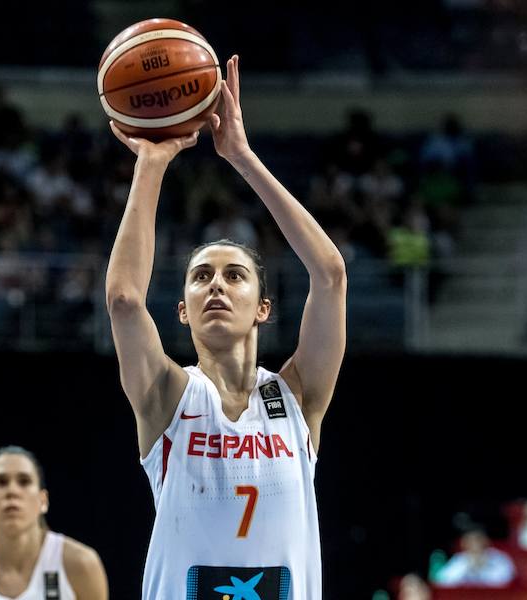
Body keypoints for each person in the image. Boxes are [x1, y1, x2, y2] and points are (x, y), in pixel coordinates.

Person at [105, 55, 346, 600]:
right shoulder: (168, 395)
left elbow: (330, 275)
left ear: (262, 307)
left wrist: (240, 155)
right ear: (183, 311)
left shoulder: (297, 396)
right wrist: (152, 159)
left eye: (234, 275)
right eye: (200, 277)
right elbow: (123, 300)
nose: (216, 285)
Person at [0, 446, 108, 600]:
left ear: (43, 500)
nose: (12, 491)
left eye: (24, 481)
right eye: (1, 482)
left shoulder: (81, 565)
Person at [434, 528, 515, 587]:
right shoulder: (459, 559)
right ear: (463, 543)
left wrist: (483, 567)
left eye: (477, 539)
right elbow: (443, 581)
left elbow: (506, 581)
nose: (474, 544)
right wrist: (467, 566)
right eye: (470, 540)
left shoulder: (500, 558)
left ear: (486, 541)